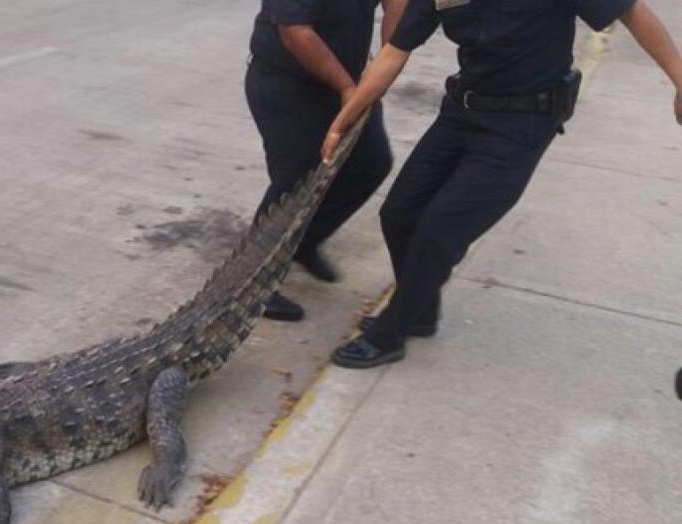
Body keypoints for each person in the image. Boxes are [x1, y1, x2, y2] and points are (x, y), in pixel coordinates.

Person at [321, 0, 682, 368]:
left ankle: (390, 332)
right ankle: (420, 310)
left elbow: (631, 11)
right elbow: (395, 53)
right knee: (398, 214)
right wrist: (342, 121)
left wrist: (680, 80)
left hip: (523, 122)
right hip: (462, 110)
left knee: (440, 230)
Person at [246, 0, 407, 322]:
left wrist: (384, 67)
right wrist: (348, 89)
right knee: (292, 181)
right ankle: (252, 286)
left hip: (346, 80)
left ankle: (303, 241)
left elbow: (397, 7)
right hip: (288, 83)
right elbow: (295, 31)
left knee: (371, 163)